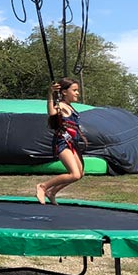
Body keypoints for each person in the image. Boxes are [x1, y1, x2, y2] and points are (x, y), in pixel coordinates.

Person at [36, 77, 86, 205]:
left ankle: (52, 192)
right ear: (64, 92)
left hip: (73, 143)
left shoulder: (70, 106)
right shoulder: (62, 106)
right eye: (74, 90)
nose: (77, 93)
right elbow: (52, 112)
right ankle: (43, 186)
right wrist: (50, 93)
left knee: (80, 174)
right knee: (74, 174)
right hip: (63, 143)